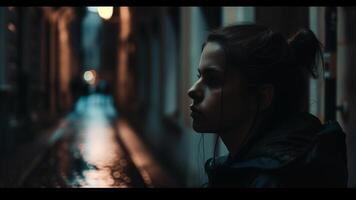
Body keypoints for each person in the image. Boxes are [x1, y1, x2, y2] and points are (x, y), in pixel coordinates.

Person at [187, 24, 348, 187]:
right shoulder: (247, 168)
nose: (192, 90)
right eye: (199, 76)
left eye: (213, 80)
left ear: (263, 97)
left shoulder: (274, 180)